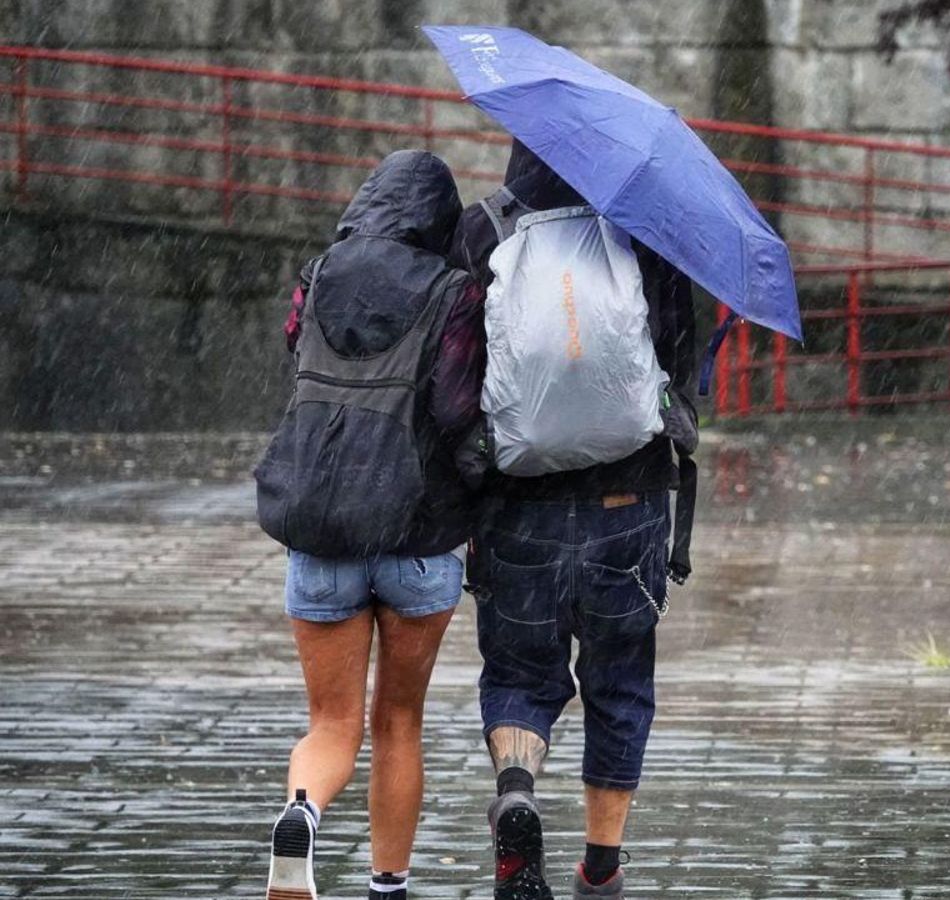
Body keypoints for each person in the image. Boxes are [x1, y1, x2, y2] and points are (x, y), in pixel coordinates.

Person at [449, 141, 699, 900]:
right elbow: (676, 359)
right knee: (619, 684)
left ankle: (518, 790)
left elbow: (455, 369)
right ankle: (601, 865)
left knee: (520, 675)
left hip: (516, 504)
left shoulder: (482, 231)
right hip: (629, 503)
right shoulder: (645, 232)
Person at [255, 150, 486, 900]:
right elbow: (456, 408)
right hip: (418, 532)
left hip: (322, 522)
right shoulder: (453, 290)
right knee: (399, 723)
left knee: (330, 724)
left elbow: (298, 351)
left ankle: (302, 813)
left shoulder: (321, 273)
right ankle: (387, 886)